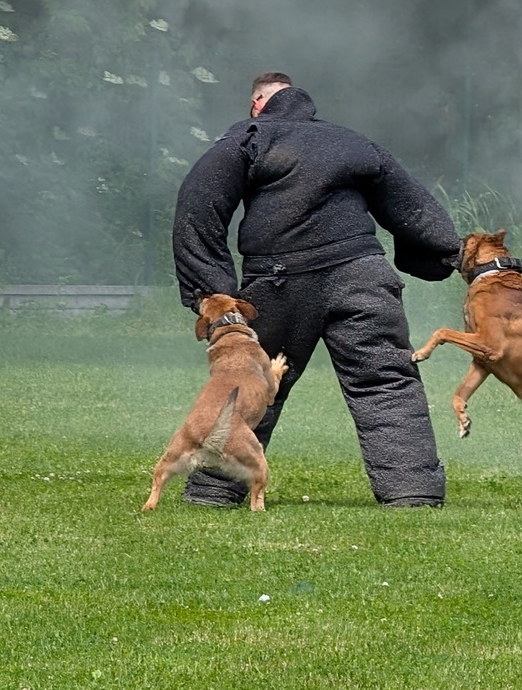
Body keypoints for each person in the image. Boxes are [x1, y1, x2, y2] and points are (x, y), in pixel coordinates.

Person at [172, 72, 461, 508]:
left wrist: (214, 293)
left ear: (257, 104)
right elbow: (411, 203)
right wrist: (445, 253)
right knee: (385, 381)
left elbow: (198, 206)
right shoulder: (352, 142)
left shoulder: (248, 138)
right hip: (364, 276)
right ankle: (412, 493)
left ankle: (214, 491)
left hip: (279, 280)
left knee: (247, 382)